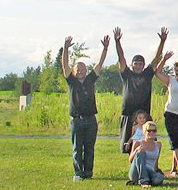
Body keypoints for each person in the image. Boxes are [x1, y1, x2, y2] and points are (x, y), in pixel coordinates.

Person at [62, 35, 107, 181]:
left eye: (82, 68)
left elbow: (100, 64)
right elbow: (65, 65)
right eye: (77, 68)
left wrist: (105, 48)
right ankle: (78, 173)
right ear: (74, 71)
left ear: (86, 70)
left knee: (89, 148)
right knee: (77, 148)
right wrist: (66, 48)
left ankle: (88, 173)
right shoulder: (72, 81)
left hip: (91, 120)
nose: (80, 70)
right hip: (77, 120)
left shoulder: (90, 80)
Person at [114, 26, 165, 154]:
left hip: (143, 114)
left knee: (147, 141)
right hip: (128, 112)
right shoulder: (126, 74)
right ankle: (132, 166)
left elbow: (156, 58)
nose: (138, 66)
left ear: (143, 65)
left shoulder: (147, 74)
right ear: (132, 65)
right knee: (129, 144)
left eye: (140, 63)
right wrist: (117, 42)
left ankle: (148, 164)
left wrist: (162, 41)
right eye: (136, 63)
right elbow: (121, 57)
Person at [127, 120, 164, 188]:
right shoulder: (138, 143)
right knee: (141, 152)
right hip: (136, 171)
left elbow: (156, 161)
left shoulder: (158, 145)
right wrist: (136, 150)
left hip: (150, 170)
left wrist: (156, 170)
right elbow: (130, 160)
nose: (151, 132)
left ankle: (149, 179)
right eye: (149, 131)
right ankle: (143, 181)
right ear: (144, 132)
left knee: (159, 178)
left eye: (154, 131)